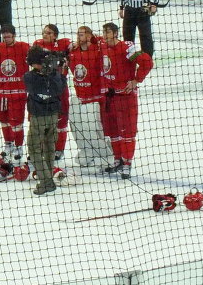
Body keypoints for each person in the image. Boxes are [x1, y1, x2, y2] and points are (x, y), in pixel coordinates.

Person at [100, 21, 154, 179]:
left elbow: (147, 62)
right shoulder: (102, 45)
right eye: (104, 33)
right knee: (113, 131)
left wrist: (136, 80)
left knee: (127, 132)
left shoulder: (127, 48)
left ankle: (127, 163)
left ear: (116, 33)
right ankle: (118, 160)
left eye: (108, 33)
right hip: (110, 97)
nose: (105, 36)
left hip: (126, 96)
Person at [67, 25, 110, 170]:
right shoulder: (73, 52)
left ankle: (106, 156)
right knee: (78, 127)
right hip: (80, 96)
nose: (78, 37)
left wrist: (96, 37)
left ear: (89, 36)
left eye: (82, 34)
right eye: (77, 34)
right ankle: (87, 151)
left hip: (95, 97)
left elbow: (104, 41)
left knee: (94, 129)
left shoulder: (98, 51)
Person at [24, 45, 64, 195]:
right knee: (49, 147)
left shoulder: (30, 77)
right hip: (53, 115)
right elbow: (60, 87)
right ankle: (49, 179)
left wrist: (48, 73)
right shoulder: (55, 75)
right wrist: (51, 73)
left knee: (34, 148)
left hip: (39, 117)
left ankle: (46, 181)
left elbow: (33, 88)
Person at [0, 24, 30, 167]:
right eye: (4, 36)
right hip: (1, 92)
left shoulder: (24, 48)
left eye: (8, 36)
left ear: (14, 35)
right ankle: (8, 144)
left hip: (18, 92)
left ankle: (19, 146)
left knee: (17, 122)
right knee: (4, 120)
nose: (6, 38)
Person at [33, 24, 72, 161]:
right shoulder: (37, 45)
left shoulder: (64, 43)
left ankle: (59, 149)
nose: (45, 35)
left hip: (60, 89)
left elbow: (75, 46)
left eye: (48, 33)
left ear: (55, 35)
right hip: (43, 88)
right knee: (43, 120)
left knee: (61, 120)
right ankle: (44, 148)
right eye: (44, 32)